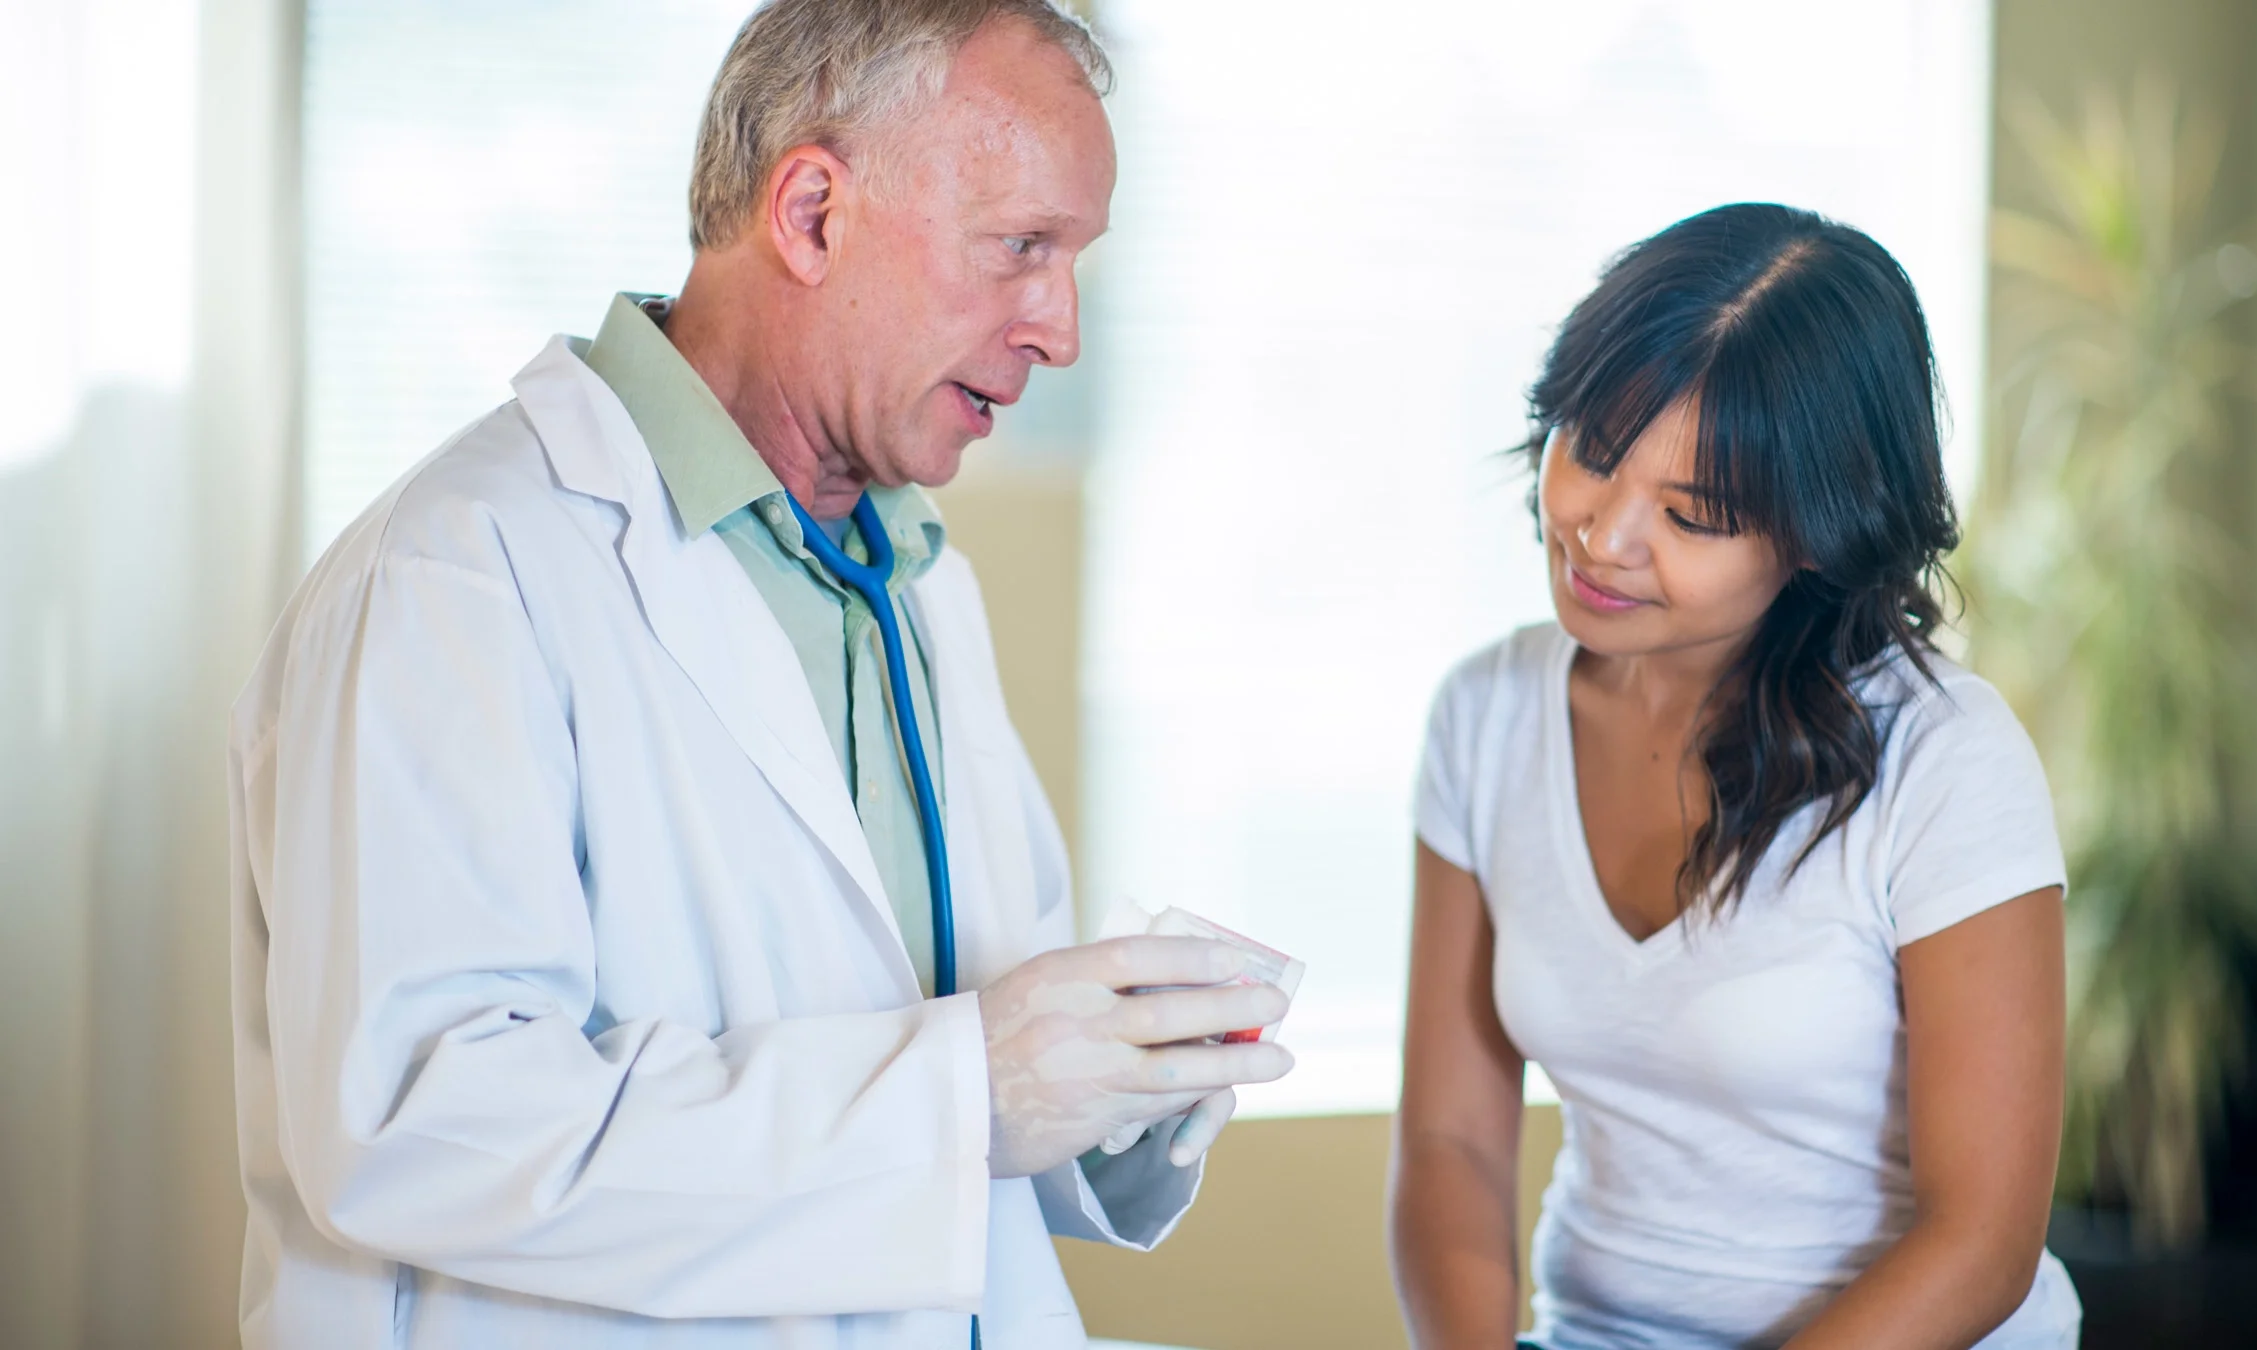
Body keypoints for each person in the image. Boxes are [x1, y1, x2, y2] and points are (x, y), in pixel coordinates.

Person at [226, 3, 1292, 1346]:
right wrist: (966, 1089)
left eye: (1072, 259)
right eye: (1022, 247)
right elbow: (421, 1121)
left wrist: (1118, 1077)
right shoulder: (459, 574)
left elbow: (969, 1057)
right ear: (809, 213)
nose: (1060, 328)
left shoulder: (911, 582)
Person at [1388, 204, 2081, 1349]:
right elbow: (1451, 1141)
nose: (1604, 537)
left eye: (1693, 514)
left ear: (1815, 533)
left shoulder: (1947, 760)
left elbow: (1983, 1242)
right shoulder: (1486, 715)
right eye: (1595, 454)